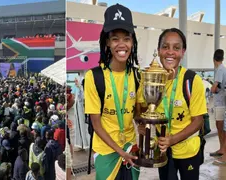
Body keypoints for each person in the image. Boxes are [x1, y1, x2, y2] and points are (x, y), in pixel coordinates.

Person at [137, 28, 207, 180]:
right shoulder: (149, 78)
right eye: (165, 46)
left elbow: (198, 120)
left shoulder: (192, 80)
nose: (170, 52)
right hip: (162, 150)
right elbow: (141, 109)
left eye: (176, 48)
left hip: (188, 150)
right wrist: (141, 124)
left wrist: (172, 140)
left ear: (183, 52)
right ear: (159, 50)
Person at [84, 3, 140, 180]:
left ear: (132, 42)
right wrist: (120, 152)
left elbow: (138, 114)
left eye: (126, 38)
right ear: (107, 42)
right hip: (107, 151)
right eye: (115, 39)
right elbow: (96, 124)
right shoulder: (95, 76)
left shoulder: (137, 76)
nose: (121, 45)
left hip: (131, 148)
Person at [210, 49, 226, 158]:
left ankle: (222, 149)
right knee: (221, 126)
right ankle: (222, 148)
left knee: (220, 126)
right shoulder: (223, 69)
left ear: (214, 59)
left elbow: (214, 88)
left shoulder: (220, 70)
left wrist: (213, 88)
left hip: (220, 102)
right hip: (221, 101)